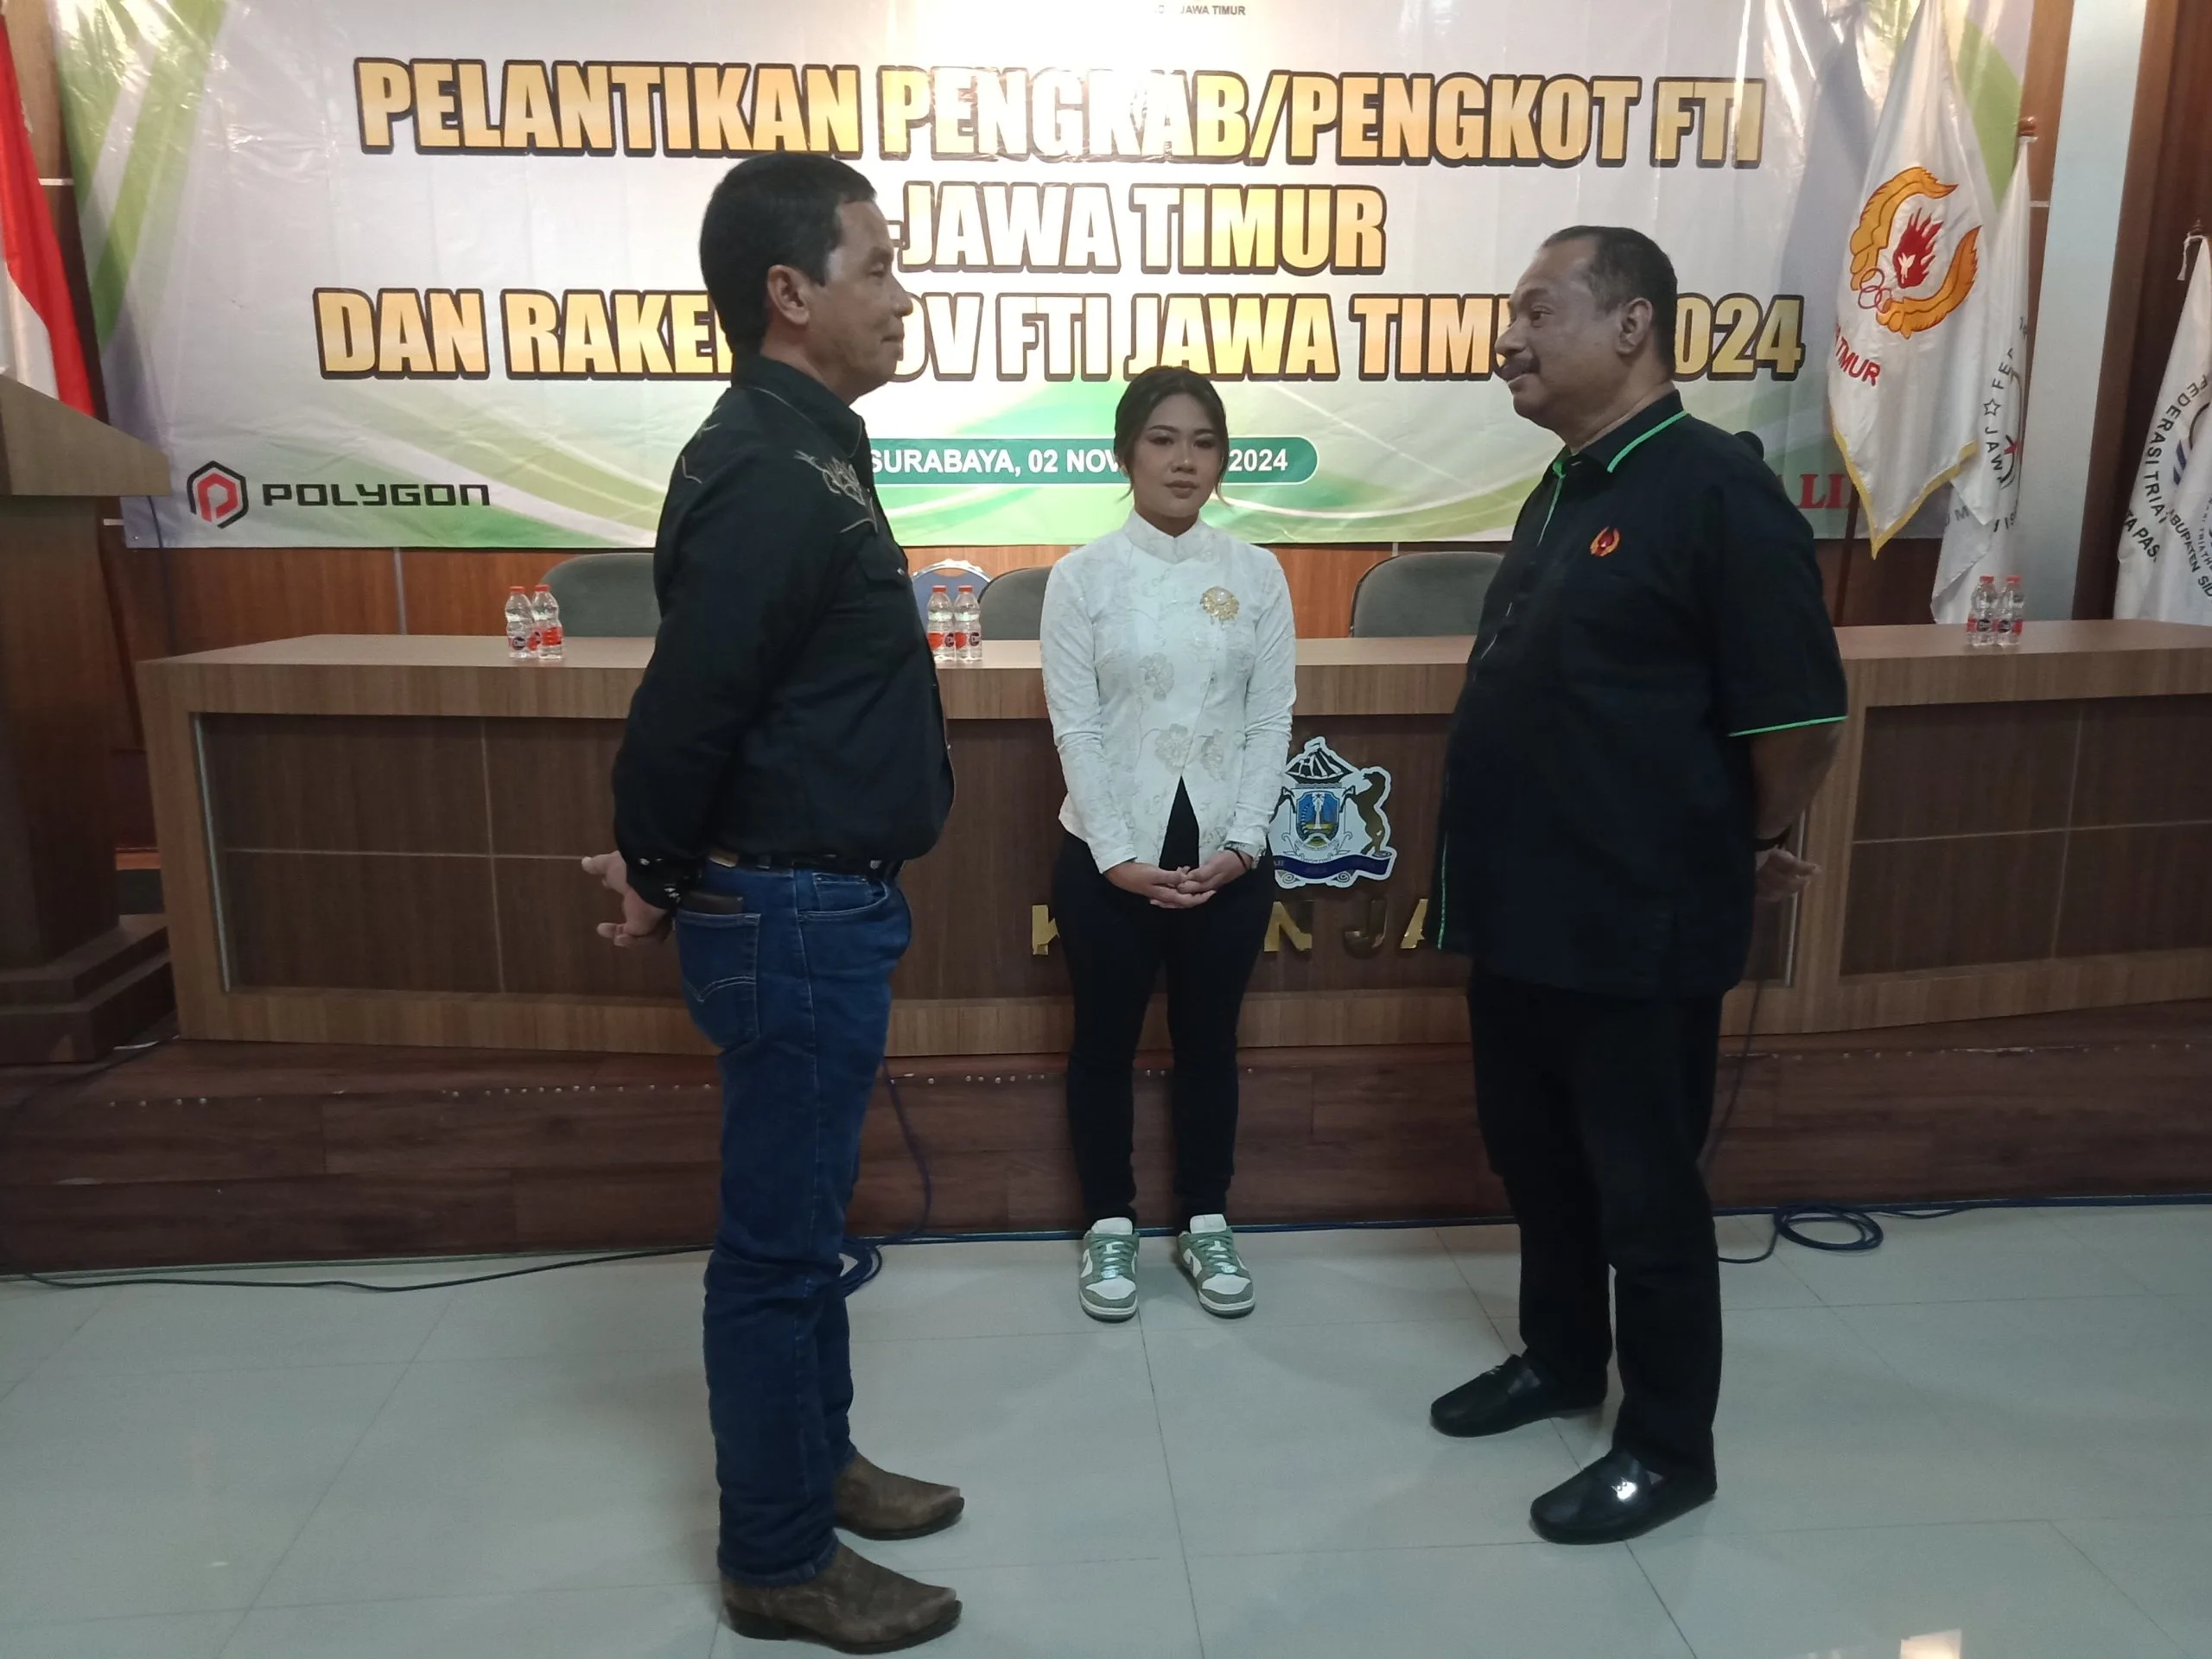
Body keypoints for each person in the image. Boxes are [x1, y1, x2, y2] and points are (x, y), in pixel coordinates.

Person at [584, 154, 963, 1652]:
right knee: (777, 1249)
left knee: (807, 1224)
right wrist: (655, 863)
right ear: (791, 293)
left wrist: (664, 864)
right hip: (792, 912)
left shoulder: (809, 448)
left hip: (820, 904)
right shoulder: (763, 464)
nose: (901, 294)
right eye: (878, 264)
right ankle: (778, 1555)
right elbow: (692, 702)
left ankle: (822, 1464)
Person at [1426, 226, 1847, 1544]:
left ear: (1631, 326)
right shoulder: (1566, 487)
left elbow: (1796, 719)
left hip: (1635, 924)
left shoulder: (1717, 489)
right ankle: (1562, 1360)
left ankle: (1669, 1448)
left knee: (1643, 1194)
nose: (1509, 340)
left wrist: (1740, 840)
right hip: (1525, 917)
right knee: (1537, 1162)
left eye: (1536, 311)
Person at [1039, 366, 1296, 1323]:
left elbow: (1270, 720)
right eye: (1162, 439)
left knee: (1208, 1046)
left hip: (1228, 856)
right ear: (1125, 454)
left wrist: (1246, 843)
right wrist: (1115, 857)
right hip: (1109, 857)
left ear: (1222, 460)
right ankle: (1109, 1222)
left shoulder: (1257, 574)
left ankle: (1204, 1219)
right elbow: (1075, 727)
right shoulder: (1081, 577)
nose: (1184, 460)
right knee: (1102, 1044)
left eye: (1203, 442)